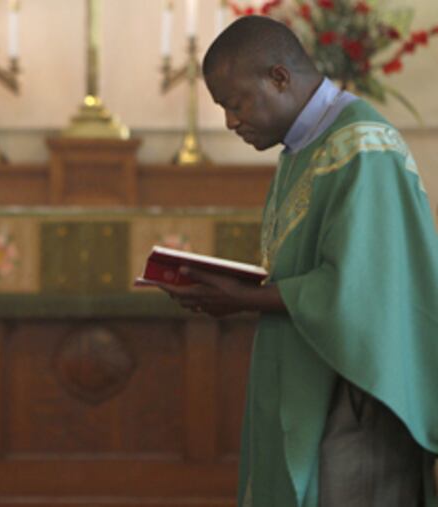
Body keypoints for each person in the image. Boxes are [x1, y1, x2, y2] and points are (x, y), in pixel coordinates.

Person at [157, 16, 438, 507]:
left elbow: (365, 289)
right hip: (312, 370)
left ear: (279, 78)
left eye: (235, 103)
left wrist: (245, 298)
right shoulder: (304, 146)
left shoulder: (362, 145)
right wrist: (235, 286)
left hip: (354, 394)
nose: (230, 121)